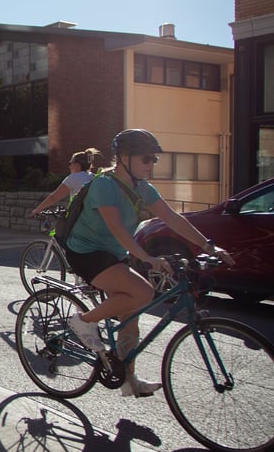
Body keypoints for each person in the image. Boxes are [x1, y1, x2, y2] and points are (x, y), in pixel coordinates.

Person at [63, 129, 234, 397]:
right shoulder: (103, 185)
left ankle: (128, 380)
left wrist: (208, 246)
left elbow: (173, 219)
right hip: (87, 252)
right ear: (124, 158)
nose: (151, 165)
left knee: (130, 317)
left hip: (115, 253)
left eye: (154, 159)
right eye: (146, 159)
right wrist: (148, 259)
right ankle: (83, 321)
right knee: (143, 292)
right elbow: (117, 228)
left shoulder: (143, 188)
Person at [30, 148, 101, 217]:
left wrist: (37, 210)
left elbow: (54, 197)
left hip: (81, 220)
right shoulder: (94, 177)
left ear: (77, 165)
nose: (69, 166)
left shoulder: (73, 177)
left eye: (70, 163)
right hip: (96, 218)